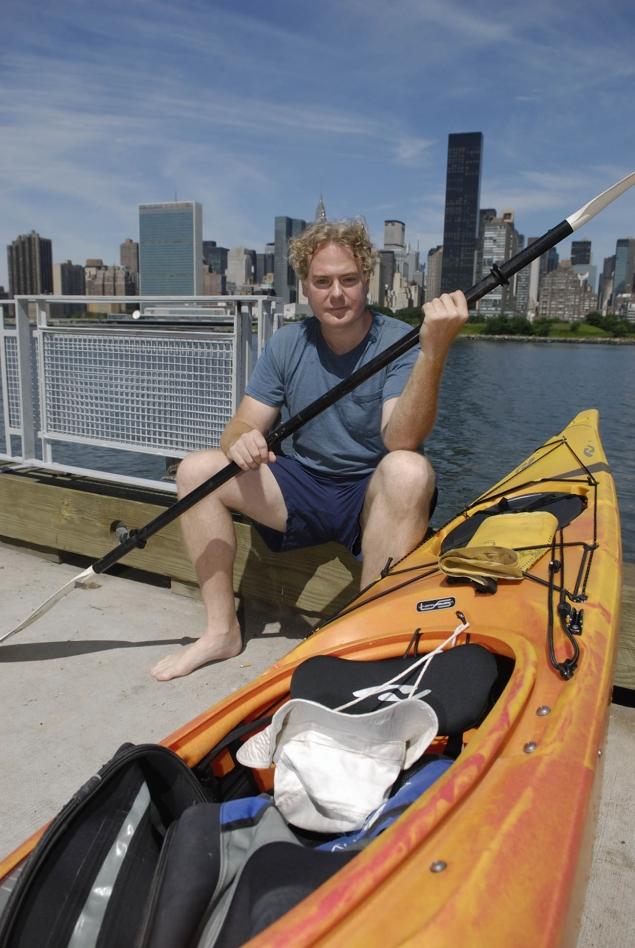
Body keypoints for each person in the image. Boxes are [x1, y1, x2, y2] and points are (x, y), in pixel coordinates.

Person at [151, 219, 467, 681]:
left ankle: (369, 640)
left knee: (409, 470)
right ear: (306, 287)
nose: (336, 293)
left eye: (348, 280)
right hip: (304, 486)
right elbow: (240, 423)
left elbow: (401, 440)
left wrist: (432, 353)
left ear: (367, 280)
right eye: (323, 282)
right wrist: (241, 441)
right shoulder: (287, 343)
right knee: (197, 470)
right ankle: (221, 632)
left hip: (370, 495)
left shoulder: (400, 339)